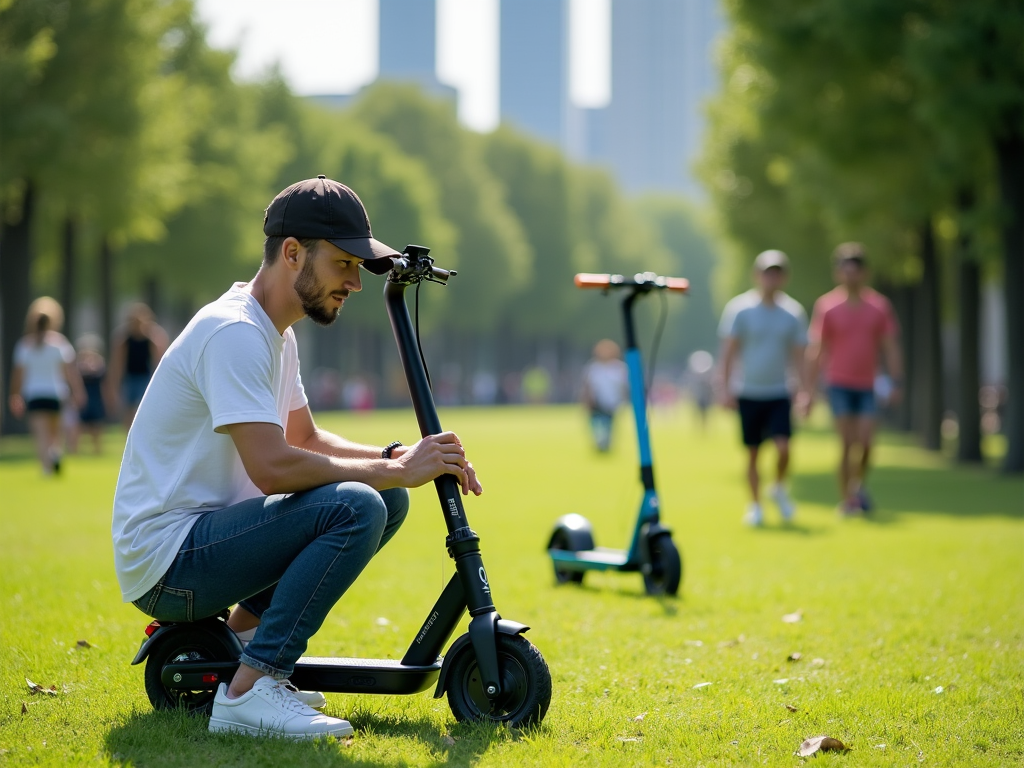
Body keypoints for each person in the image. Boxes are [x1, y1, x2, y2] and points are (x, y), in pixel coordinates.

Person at [112, 176, 483, 740]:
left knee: (383, 496)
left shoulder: (274, 334)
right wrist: (390, 470)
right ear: (292, 254)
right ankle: (252, 690)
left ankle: (241, 648)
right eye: (343, 265)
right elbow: (273, 467)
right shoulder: (234, 333)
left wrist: (396, 459)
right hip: (169, 562)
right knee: (358, 505)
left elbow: (304, 438)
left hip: (201, 541)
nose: (355, 283)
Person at [800, 242, 903, 516]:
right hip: (838, 384)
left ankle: (858, 486)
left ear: (864, 273)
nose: (850, 277)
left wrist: (896, 381)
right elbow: (817, 350)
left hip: (868, 384)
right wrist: (807, 391)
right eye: (845, 271)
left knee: (867, 444)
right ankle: (847, 500)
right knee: (846, 444)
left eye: (855, 271)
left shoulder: (879, 306)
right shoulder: (827, 306)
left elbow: (890, 346)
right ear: (838, 274)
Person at [717, 250, 808, 526]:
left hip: (779, 391)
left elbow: (799, 356)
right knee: (753, 452)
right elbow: (729, 352)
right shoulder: (739, 309)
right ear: (757, 275)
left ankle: (778, 487)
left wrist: (805, 390)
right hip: (748, 391)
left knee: (783, 448)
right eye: (767, 272)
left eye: (777, 272)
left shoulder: (793, 313)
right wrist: (724, 387)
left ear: (784, 277)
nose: (772, 277)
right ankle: (755, 505)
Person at [7, 297, 86, 475]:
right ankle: (55, 454)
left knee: (41, 434)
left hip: (34, 395)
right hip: (56, 394)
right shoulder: (59, 343)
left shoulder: (24, 345)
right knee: (55, 433)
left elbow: (18, 375)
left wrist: (14, 395)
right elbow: (70, 373)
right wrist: (78, 392)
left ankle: (46, 468)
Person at [107, 302, 168, 429]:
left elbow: (159, 359)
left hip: (145, 377)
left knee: (144, 408)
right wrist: (114, 386)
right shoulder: (125, 339)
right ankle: (128, 435)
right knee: (128, 410)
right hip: (129, 378)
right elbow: (117, 364)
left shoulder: (151, 338)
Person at [581, 339, 629, 452]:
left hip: (612, 402)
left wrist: (623, 400)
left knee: (608, 425)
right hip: (596, 402)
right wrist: (586, 400)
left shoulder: (620, 368)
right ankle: (599, 444)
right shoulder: (593, 368)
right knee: (596, 425)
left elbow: (624, 386)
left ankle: (606, 445)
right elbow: (587, 385)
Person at [73, 334, 108, 455]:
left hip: (96, 397)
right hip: (84, 398)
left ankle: (97, 450)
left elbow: (103, 381)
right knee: (80, 425)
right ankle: (75, 450)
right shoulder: (78, 365)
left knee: (96, 425)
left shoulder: (99, 363)